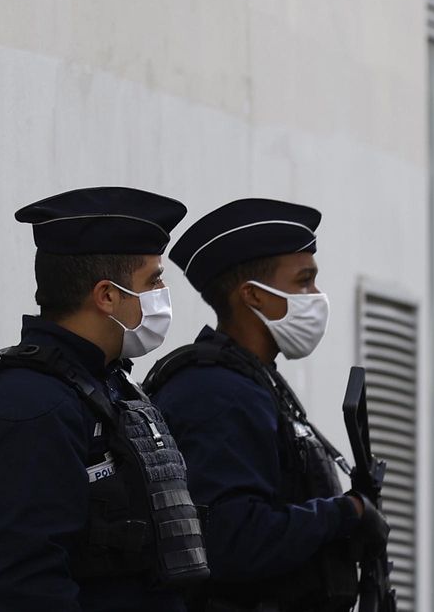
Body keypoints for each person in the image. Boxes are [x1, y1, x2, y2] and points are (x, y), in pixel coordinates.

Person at [0, 187, 208, 612]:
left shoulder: (107, 384)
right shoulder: (29, 405)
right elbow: (28, 588)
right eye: (153, 280)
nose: (162, 293)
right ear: (107, 296)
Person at [145, 198, 388, 612]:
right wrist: (346, 513)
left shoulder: (253, 381)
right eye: (304, 282)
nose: (317, 297)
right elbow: (234, 540)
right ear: (255, 297)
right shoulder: (216, 393)